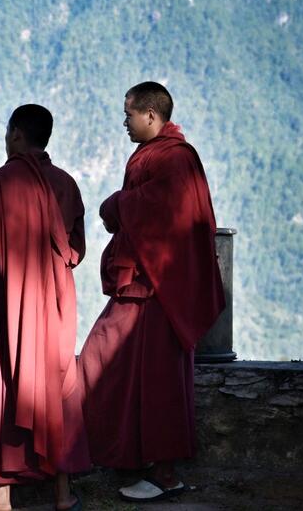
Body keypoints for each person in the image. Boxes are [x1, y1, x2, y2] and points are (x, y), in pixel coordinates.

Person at [78, 82, 224, 503]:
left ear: (151, 116)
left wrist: (116, 205)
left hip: (160, 288)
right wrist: (122, 205)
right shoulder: (155, 155)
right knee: (110, 368)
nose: (124, 122)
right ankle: (129, 460)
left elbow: (164, 211)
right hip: (140, 285)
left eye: (128, 114)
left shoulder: (176, 158)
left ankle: (164, 475)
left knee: (149, 378)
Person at [0, 105, 89, 511]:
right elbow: (77, 249)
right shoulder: (65, 184)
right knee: (59, 387)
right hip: (56, 306)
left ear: (15, 134)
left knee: (5, 389)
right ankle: (63, 494)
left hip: (9, 303)